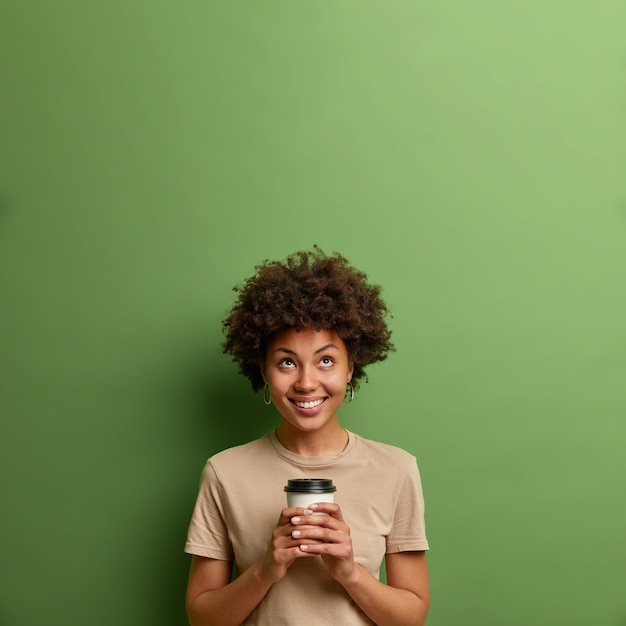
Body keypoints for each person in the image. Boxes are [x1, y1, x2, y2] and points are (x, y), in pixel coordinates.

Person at [184, 247, 430, 626]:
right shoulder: (224, 472)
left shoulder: (396, 469)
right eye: (286, 362)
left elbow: (412, 618)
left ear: (351, 368)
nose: (306, 382)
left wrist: (348, 571)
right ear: (263, 372)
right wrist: (267, 568)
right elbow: (202, 618)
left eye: (326, 360)